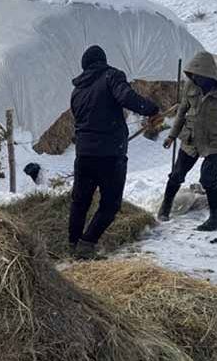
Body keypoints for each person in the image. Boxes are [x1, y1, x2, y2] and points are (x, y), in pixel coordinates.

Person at [69, 45, 160, 259]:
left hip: (83, 154)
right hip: (109, 155)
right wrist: (151, 109)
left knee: (80, 201)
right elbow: (126, 97)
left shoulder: (77, 90)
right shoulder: (111, 76)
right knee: (110, 204)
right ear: (103, 61)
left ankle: (72, 244)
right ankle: (87, 243)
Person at [157, 51, 217, 231]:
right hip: (191, 138)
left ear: (210, 75)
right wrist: (172, 135)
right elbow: (182, 112)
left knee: (208, 179)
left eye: (200, 76)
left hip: (215, 141)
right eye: (193, 75)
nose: (196, 79)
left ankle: (216, 219)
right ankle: (165, 208)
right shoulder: (191, 85)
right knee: (176, 175)